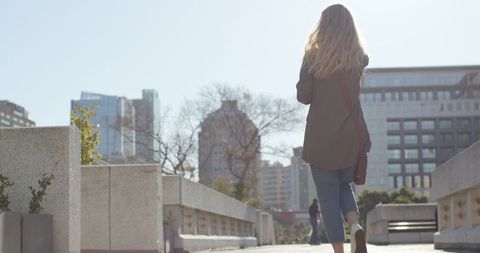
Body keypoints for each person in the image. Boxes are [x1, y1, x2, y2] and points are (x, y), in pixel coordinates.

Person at [296, 4, 371, 253]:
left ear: (323, 25)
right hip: (349, 137)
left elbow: (304, 96)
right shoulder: (358, 59)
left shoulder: (312, 57)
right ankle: (356, 226)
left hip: (319, 139)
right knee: (344, 186)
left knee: (327, 197)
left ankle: (339, 250)